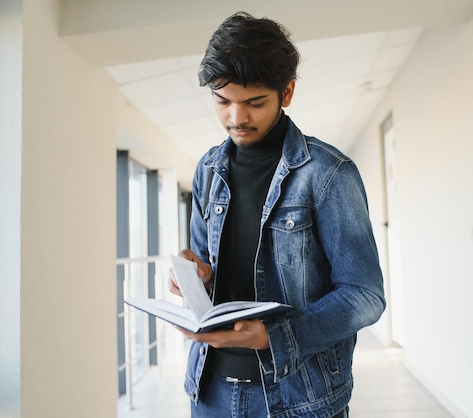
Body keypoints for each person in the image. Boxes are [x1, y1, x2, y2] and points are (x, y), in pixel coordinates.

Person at [169, 11, 386, 418]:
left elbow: (366, 295)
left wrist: (275, 336)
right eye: (223, 101)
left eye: (254, 103)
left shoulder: (328, 174)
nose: (236, 118)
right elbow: (210, 269)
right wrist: (196, 273)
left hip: (298, 398)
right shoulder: (207, 170)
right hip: (210, 388)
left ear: (286, 92)